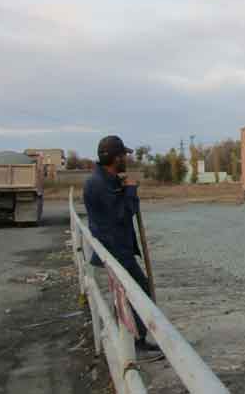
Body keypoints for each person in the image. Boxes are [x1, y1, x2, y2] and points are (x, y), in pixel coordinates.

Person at [84, 135, 160, 353]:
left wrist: (123, 185)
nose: (126, 159)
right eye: (124, 155)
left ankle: (132, 338)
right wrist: (131, 190)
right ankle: (134, 343)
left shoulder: (105, 180)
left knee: (129, 294)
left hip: (118, 248)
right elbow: (124, 213)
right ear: (116, 158)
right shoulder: (98, 184)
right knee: (138, 292)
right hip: (115, 250)